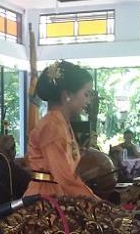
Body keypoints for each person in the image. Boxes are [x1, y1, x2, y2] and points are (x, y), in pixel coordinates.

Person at [24, 61, 96, 199]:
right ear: (67, 94)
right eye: (86, 94)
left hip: (58, 193)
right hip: (45, 199)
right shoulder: (52, 126)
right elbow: (66, 178)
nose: (88, 101)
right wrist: (97, 202)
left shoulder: (61, 122)